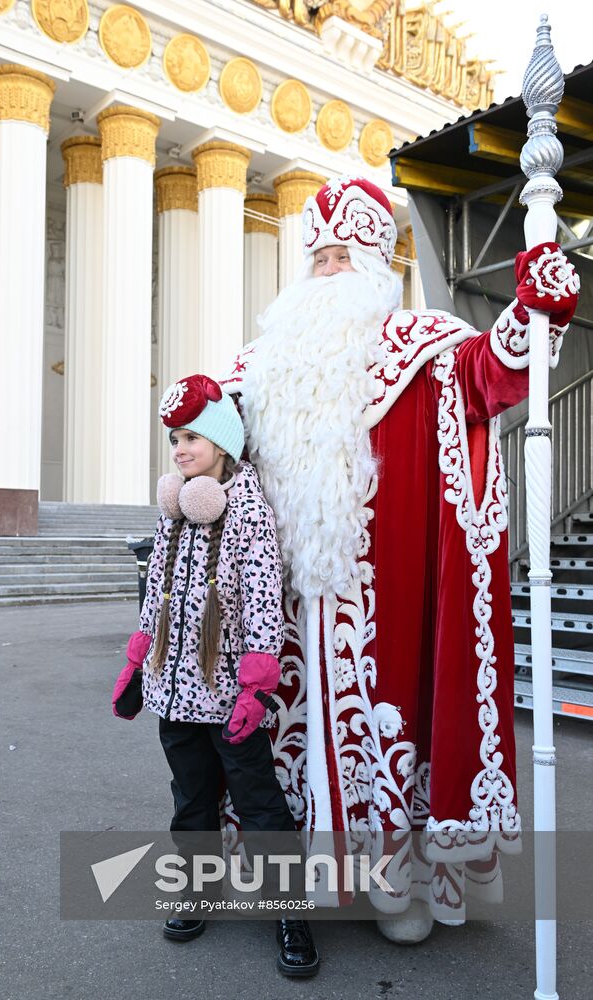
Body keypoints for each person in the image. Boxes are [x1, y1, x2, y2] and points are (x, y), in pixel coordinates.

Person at [218, 175, 580, 940]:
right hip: (279, 604)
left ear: (379, 265)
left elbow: (492, 376)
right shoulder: (262, 361)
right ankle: (294, 884)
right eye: (317, 258)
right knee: (281, 734)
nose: (326, 271)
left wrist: (534, 308)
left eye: (343, 256)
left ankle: (398, 890)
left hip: (387, 596)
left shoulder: (426, 346)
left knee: (389, 732)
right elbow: (207, 438)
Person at [118, 373, 319, 976]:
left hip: (229, 693)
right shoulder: (177, 504)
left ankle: (290, 914)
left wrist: (256, 687)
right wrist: (137, 660)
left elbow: (261, 597)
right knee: (191, 801)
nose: (179, 449)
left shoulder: (247, 509)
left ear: (223, 443)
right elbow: (157, 586)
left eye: (191, 438)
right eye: (174, 439)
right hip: (173, 691)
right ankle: (197, 890)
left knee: (260, 804)